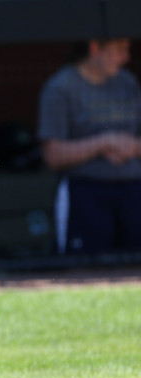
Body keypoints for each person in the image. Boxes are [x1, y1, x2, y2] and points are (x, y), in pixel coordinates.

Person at [37, 37, 141, 254]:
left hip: (133, 188)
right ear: (95, 48)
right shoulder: (60, 88)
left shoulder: (128, 83)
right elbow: (52, 155)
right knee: (85, 269)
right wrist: (103, 143)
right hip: (86, 192)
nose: (126, 58)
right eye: (119, 50)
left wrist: (129, 147)